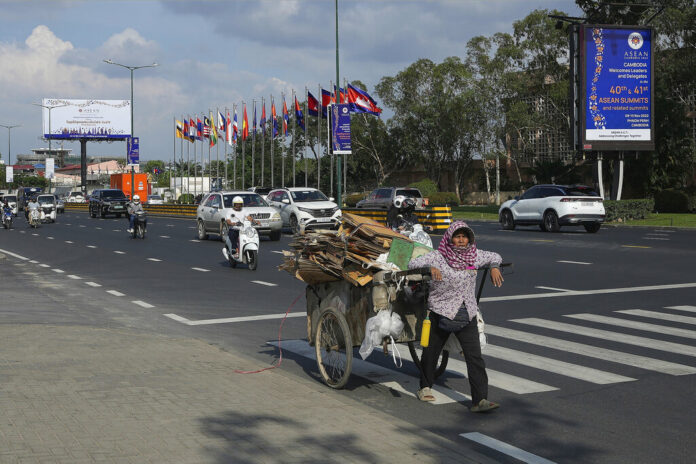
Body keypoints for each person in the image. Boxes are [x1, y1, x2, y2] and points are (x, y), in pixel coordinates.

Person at [408, 220, 504, 412]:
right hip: (441, 311)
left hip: (466, 311)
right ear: (450, 238)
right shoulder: (437, 256)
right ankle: (424, 387)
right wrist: (429, 269)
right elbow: (412, 263)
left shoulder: (475, 256)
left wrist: (494, 266)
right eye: (457, 236)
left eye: (464, 236)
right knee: (431, 352)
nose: (461, 240)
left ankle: (479, 400)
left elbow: (495, 255)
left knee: (475, 357)